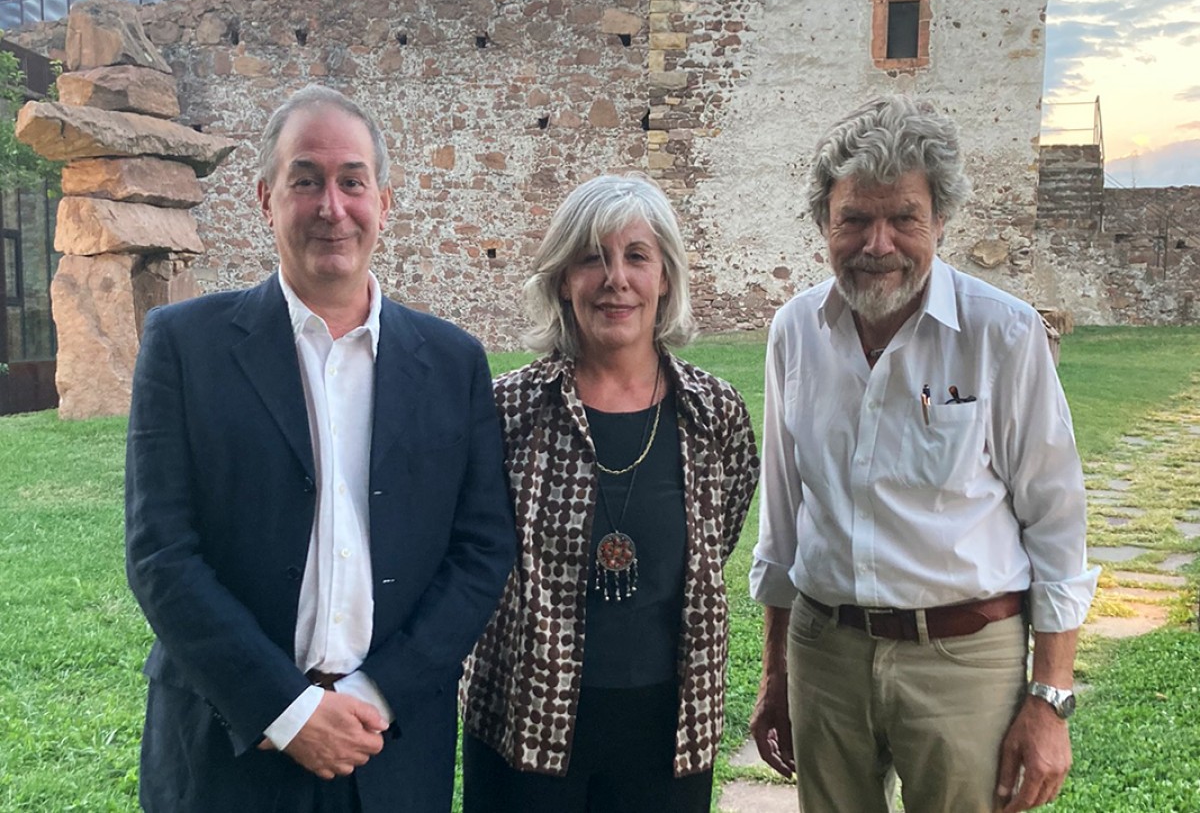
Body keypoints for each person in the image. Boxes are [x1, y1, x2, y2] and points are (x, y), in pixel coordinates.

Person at [125, 84, 515, 813]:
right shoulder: (184, 348)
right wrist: (288, 709)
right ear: (266, 199)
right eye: (305, 180)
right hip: (227, 748)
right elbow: (160, 554)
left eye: (351, 181)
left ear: (385, 202)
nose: (331, 206)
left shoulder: (454, 362)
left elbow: (482, 551)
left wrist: (376, 693)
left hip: (390, 750)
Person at [749, 95, 1097, 813]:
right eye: (855, 219)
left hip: (964, 659)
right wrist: (775, 676)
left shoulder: (1001, 335)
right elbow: (783, 522)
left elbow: (1056, 522)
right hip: (825, 653)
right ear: (825, 223)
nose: (878, 243)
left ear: (940, 220)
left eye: (903, 217)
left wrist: (1050, 700)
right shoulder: (795, 332)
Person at [460, 174, 759, 812]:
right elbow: (472, 552)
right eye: (592, 257)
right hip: (526, 721)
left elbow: (721, 528)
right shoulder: (507, 411)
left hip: (669, 727)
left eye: (637, 257)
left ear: (666, 278)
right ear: (564, 280)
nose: (615, 279)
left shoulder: (714, 414)